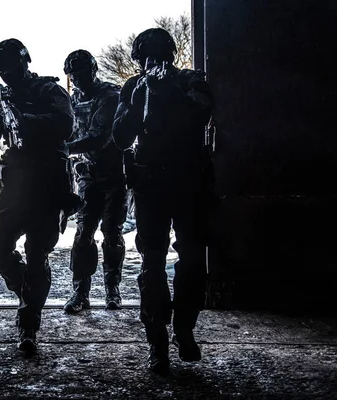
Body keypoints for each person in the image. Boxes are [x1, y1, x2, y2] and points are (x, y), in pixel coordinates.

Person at [112, 28, 214, 375]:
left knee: (193, 261)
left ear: (169, 55)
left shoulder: (190, 81)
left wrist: (167, 88)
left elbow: (202, 114)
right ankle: (157, 341)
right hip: (151, 184)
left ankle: (184, 329)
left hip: (189, 182)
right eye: (143, 58)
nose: (149, 62)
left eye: (155, 55)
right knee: (152, 265)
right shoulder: (132, 87)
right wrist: (142, 93)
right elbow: (121, 136)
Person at [0, 38, 80, 354]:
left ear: (25, 61)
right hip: (15, 184)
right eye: (0, 68)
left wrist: (24, 119)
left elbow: (66, 124)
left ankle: (28, 325)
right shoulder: (3, 96)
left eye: (10, 66)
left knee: (37, 256)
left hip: (47, 185)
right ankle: (27, 293)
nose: (6, 73)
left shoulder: (48, 91)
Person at [62, 50, 127, 313]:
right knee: (83, 234)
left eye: (81, 73)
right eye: (73, 75)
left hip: (113, 174)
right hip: (88, 175)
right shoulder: (72, 99)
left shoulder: (110, 96)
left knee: (112, 233)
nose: (77, 79)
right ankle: (81, 292)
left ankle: (112, 289)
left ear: (93, 70)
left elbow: (98, 136)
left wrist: (63, 148)